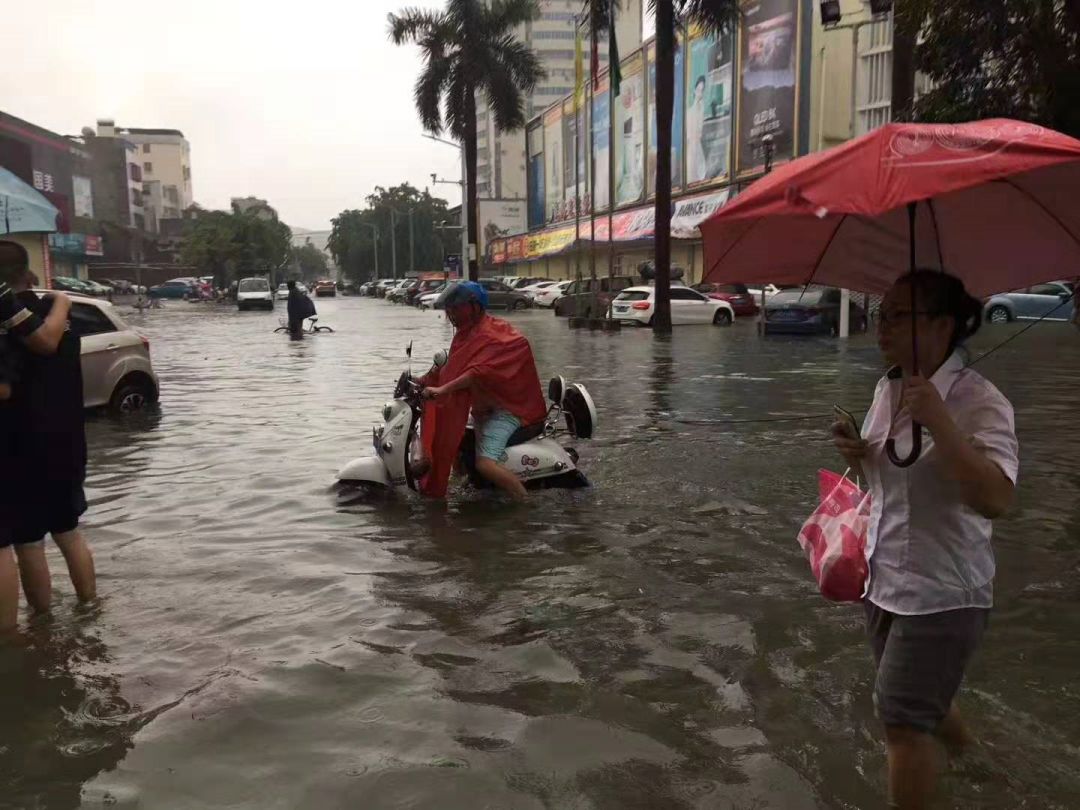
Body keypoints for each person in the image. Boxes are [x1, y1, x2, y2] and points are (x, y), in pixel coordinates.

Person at [831, 270, 1018, 810]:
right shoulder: (888, 387)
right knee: (916, 701)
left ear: (941, 324)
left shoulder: (980, 401)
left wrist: (942, 423)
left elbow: (997, 501)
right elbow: (895, 483)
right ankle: (978, 764)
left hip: (943, 591)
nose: (880, 326)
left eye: (896, 315)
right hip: (884, 576)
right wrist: (859, 453)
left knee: (901, 723)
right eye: (880, 313)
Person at [0, 241, 96, 620]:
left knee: (28, 544)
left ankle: (42, 624)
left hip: (22, 443)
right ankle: (90, 607)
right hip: (68, 440)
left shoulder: (12, 324)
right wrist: (60, 300)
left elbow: (33, 353)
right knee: (69, 532)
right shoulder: (62, 315)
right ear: (28, 273)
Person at [420, 281, 547, 500]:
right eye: (449, 309)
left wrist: (443, 390)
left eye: (456, 308)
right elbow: (451, 367)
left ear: (475, 307)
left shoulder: (493, 335)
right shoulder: (465, 334)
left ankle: (525, 503)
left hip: (509, 411)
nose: (451, 314)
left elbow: (475, 372)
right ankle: (470, 488)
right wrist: (422, 380)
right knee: (458, 449)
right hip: (483, 410)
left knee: (485, 464)